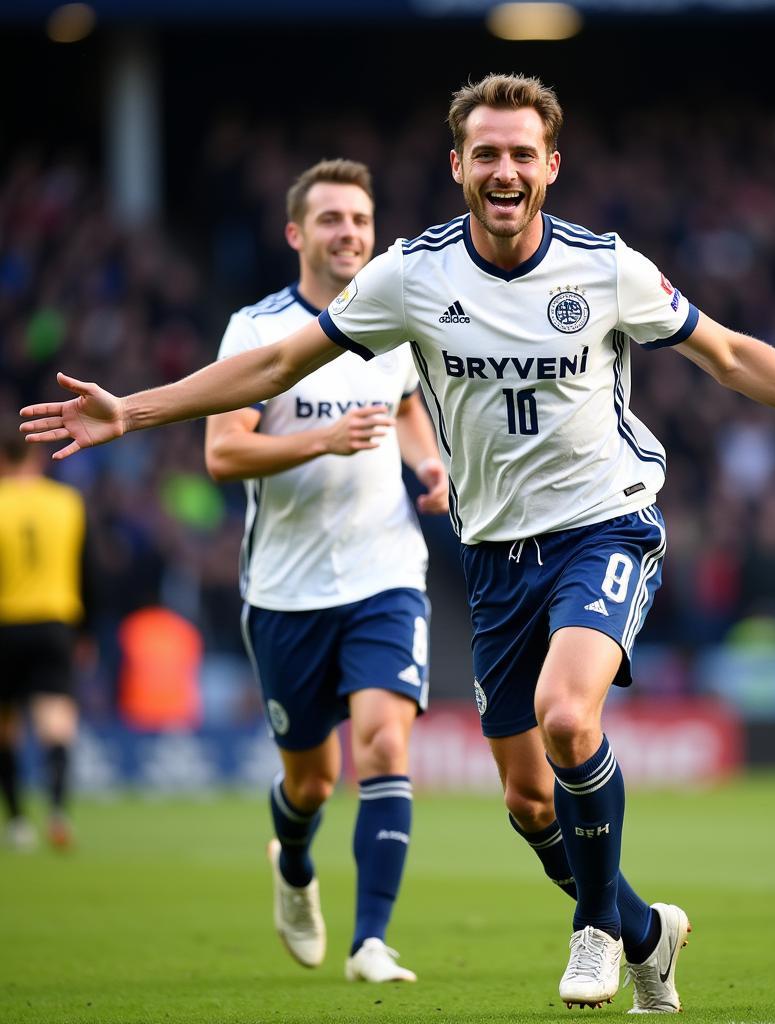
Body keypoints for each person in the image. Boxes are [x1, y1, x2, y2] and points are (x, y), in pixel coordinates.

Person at [21, 74, 775, 1011]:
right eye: (487, 154)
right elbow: (273, 362)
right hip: (495, 559)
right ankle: (645, 932)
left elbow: (728, 353)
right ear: (458, 167)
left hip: (605, 527)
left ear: (551, 167)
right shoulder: (412, 276)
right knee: (528, 801)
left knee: (567, 716)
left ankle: (594, 931)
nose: (504, 170)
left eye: (522, 154)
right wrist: (132, 412)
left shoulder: (605, 267)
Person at [204, 159, 448, 981]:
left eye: (360, 220)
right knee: (311, 782)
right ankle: (294, 863)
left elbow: (410, 406)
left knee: (383, 744)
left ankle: (369, 941)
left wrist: (430, 466)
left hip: (385, 574)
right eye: (333, 219)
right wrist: (321, 437)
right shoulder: (256, 330)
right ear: (296, 233)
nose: (350, 233)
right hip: (285, 591)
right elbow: (222, 450)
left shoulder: (392, 327)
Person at [0, 436, 94, 851]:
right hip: (55, 623)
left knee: (6, 729)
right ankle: (57, 811)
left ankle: (18, 822)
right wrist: (86, 631)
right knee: (56, 722)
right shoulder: (67, 503)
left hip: (5, 622)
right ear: (36, 458)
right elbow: (88, 570)